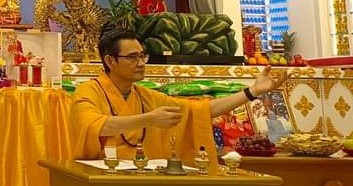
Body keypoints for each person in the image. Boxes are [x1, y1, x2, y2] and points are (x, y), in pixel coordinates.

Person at [69, 28, 287, 161]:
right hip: (99, 171)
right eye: (132, 57)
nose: (141, 63)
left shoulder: (145, 96)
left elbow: (203, 110)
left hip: (140, 171)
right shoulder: (88, 91)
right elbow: (96, 126)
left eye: (143, 56)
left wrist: (252, 91)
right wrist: (148, 119)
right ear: (110, 61)